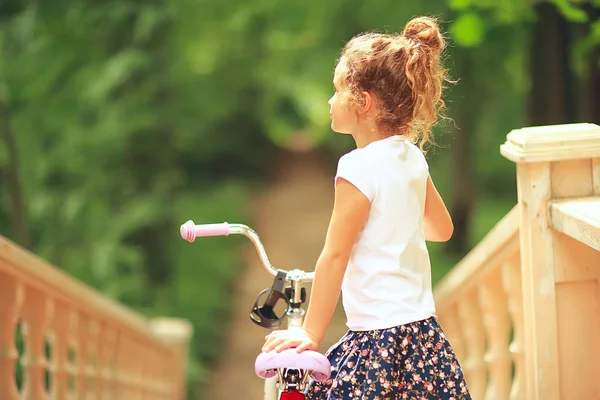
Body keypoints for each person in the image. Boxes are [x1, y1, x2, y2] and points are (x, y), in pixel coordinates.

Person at [262, 16, 471, 400]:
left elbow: (336, 255)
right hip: (423, 337)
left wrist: (309, 333)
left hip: (377, 343)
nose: (330, 100)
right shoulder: (411, 156)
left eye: (338, 89)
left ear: (364, 102)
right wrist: (394, 226)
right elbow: (442, 230)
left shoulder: (356, 166)